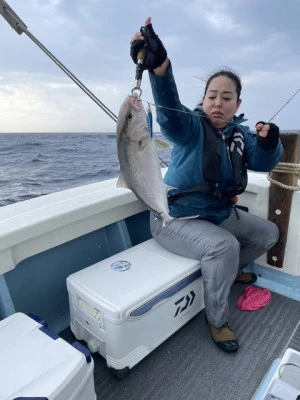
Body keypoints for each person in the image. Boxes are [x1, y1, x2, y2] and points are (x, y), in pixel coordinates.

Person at [130, 17, 283, 353]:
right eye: (212, 96)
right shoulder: (192, 126)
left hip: (216, 213)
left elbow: (262, 161)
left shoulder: (240, 134)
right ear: (204, 98)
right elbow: (169, 115)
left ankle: (231, 272)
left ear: (238, 104)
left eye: (227, 98)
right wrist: (160, 69)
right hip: (173, 218)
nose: (218, 103)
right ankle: (217, 319)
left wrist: (271, 143)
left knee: (268, 233)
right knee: (223, 246)